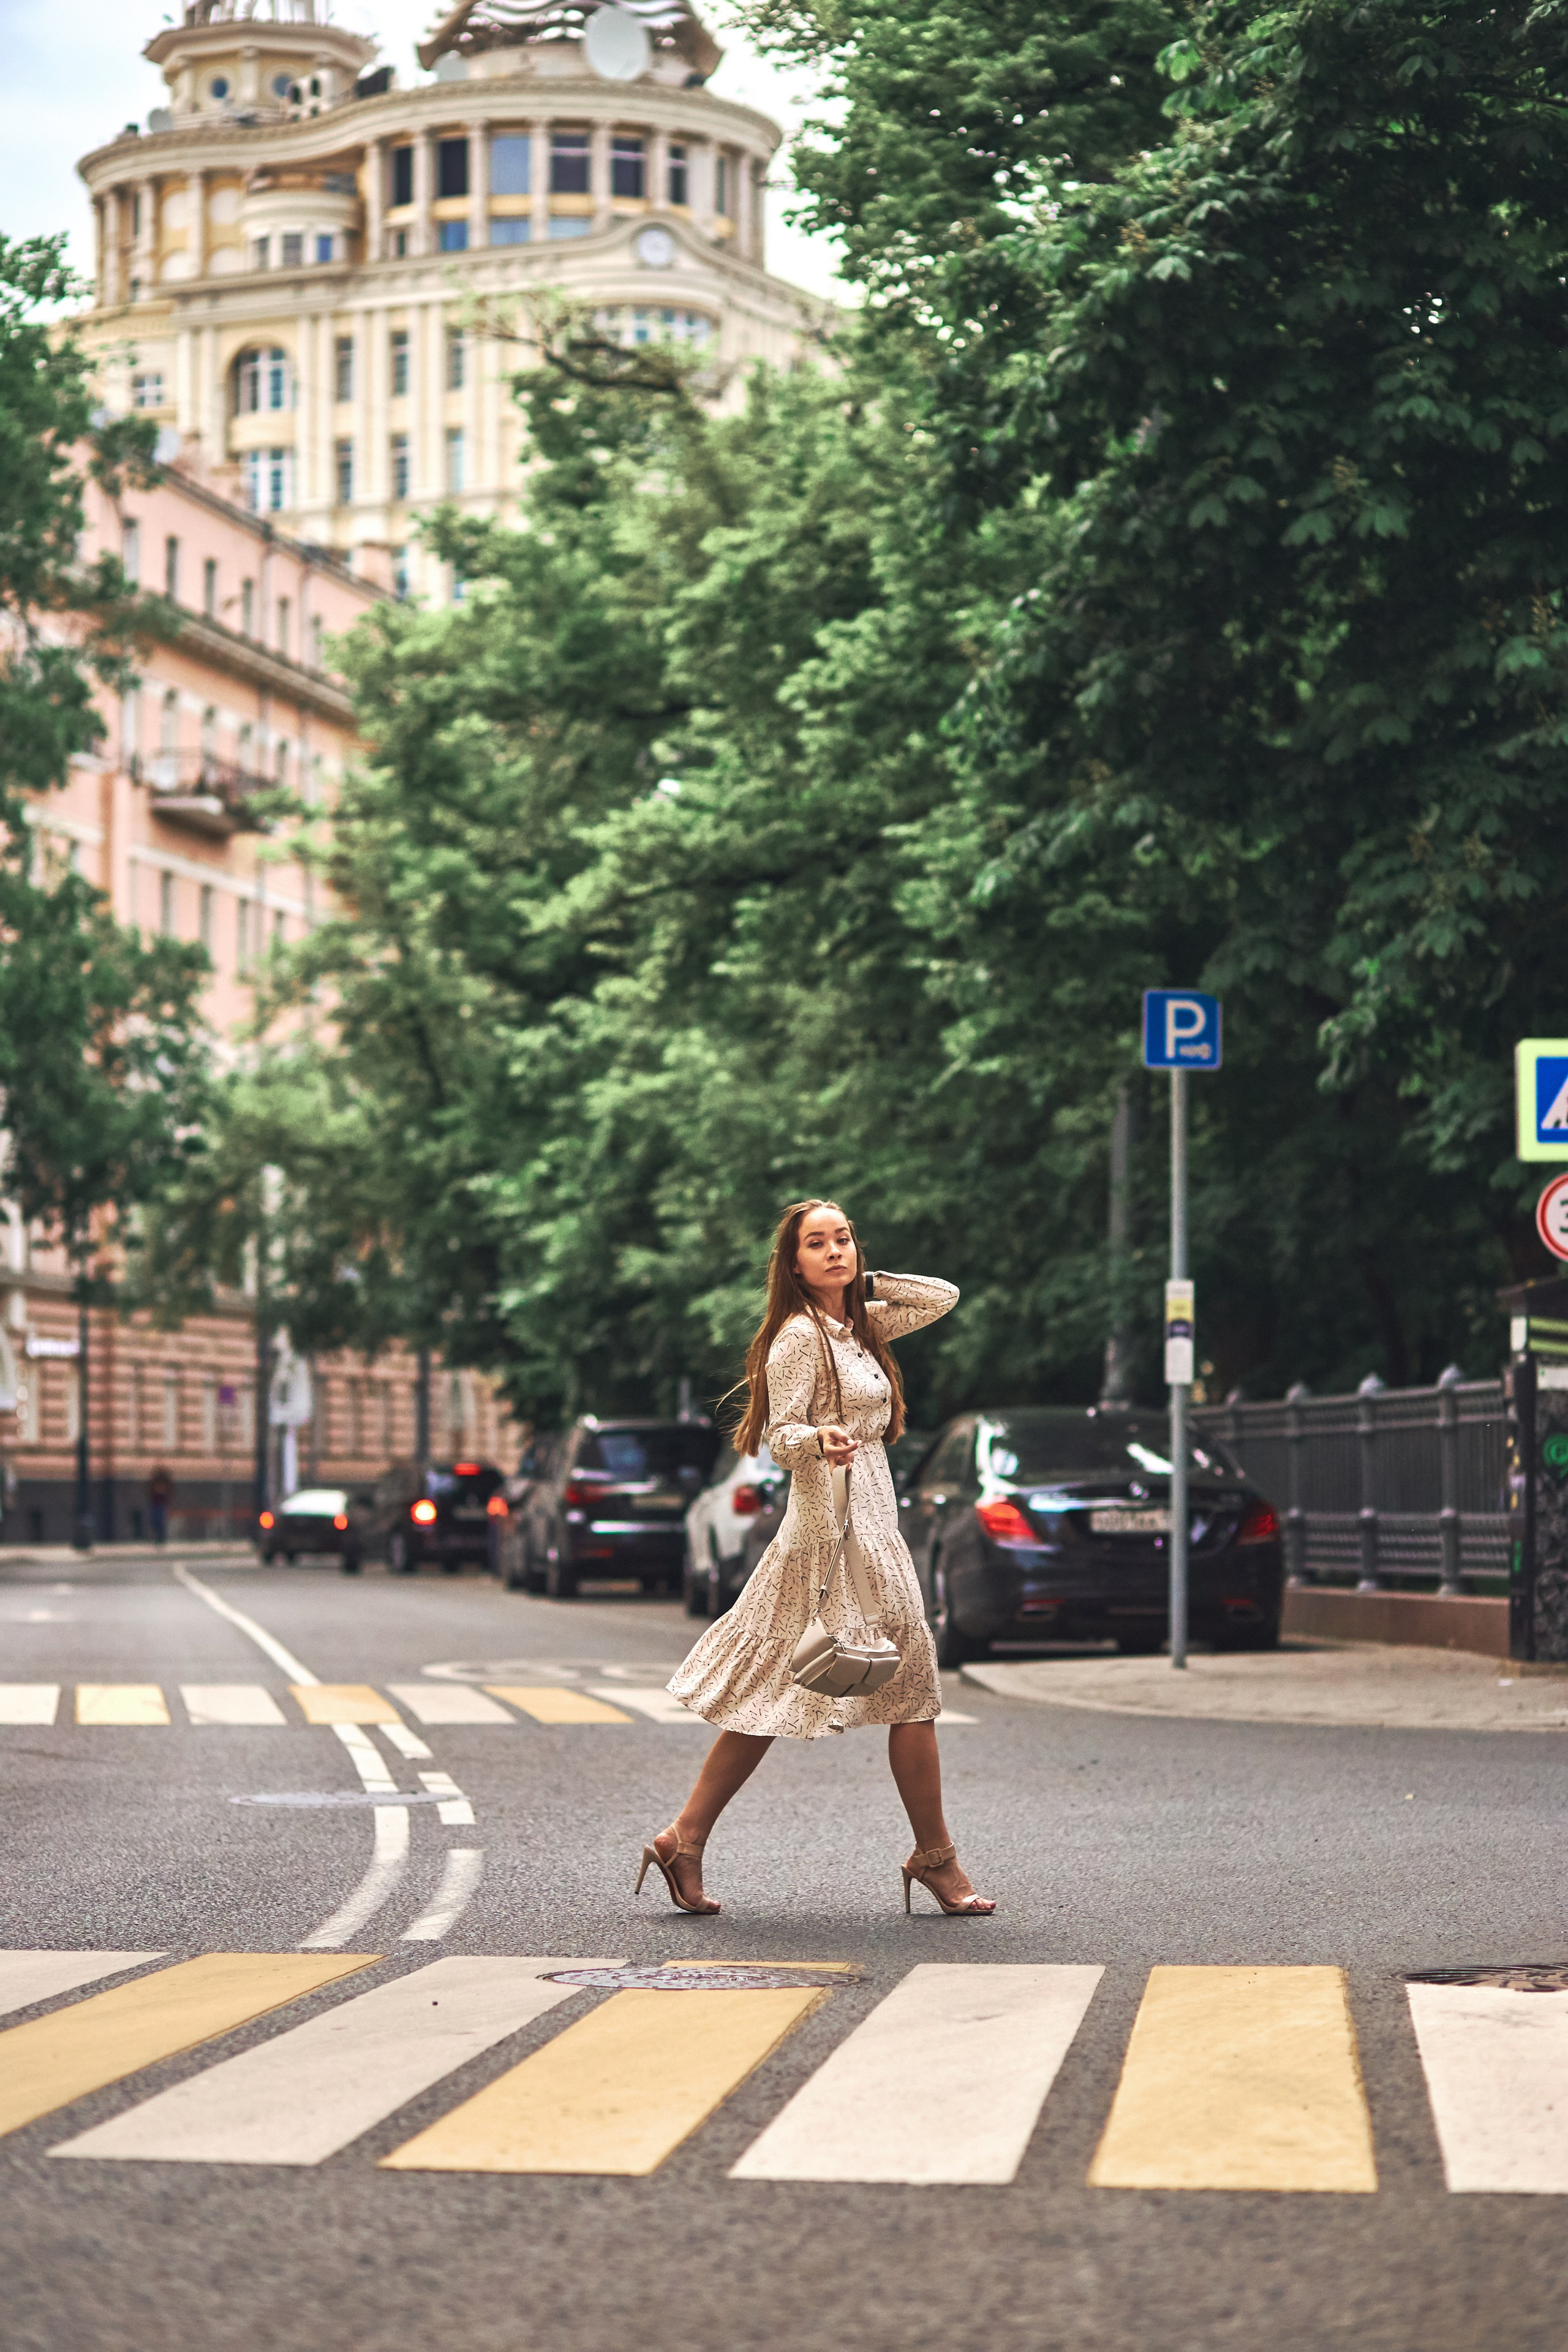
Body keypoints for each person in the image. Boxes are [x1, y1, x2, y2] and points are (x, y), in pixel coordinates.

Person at [651, 1199, 995, 1918]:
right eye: (817, 1243)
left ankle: (685, 1837)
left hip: (869, 1517)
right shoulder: (799, 1339)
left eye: (843, 1239)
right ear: (793, 1262)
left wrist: (869, 1281)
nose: (835, 1251)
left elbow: (943, 1297)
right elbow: (778, 1435)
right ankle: (935, 1859)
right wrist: (818, 1439)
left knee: (789, 1690)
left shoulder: (857, 1327)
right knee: (905, 1686)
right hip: (831, 1526)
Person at [146, 1464, 174, 1547]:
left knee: (161, 1521)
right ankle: (157, 1538)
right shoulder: (154, 1482)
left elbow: (169, 1491)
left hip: (162, 1505)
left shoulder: (166, 1482)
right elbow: (150, 1491)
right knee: (155, 1522)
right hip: (155, 1504)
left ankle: (161, 1539)